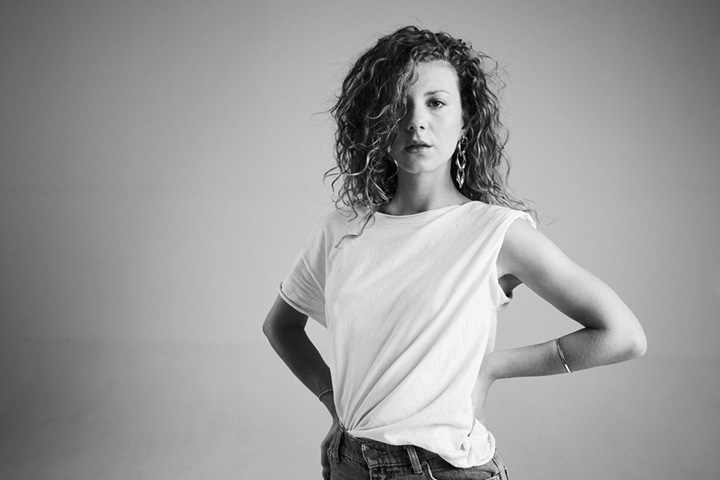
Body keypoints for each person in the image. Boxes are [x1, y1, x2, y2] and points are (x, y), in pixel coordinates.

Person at [263, 26, 646, 480]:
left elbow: (623, 335)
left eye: (436, 102)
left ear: (465, 121)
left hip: (445, 468)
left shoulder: (496, 232)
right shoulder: (340, 231)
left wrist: (492, 368)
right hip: (351, 463)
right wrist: (335, 406)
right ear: (375, 121)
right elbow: (281, 326)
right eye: (398, 104)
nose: (415, 121)